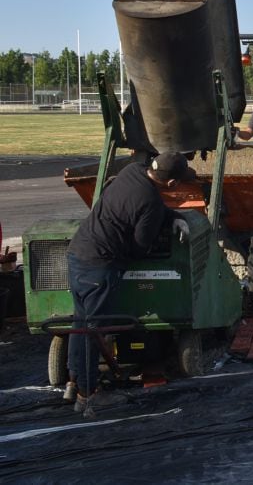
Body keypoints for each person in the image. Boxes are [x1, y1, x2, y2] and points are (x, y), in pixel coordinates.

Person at [66, 151, 195, 417]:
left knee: (80, 324)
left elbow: (146, 203)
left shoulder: (132, 171)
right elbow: (139, 248)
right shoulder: (150, 204)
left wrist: (171, 216)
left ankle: (73, 382)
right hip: (100, 266)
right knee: (93, 331)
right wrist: (164, 221)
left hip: (78, 254)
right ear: (172, 183)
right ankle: (88, 396)